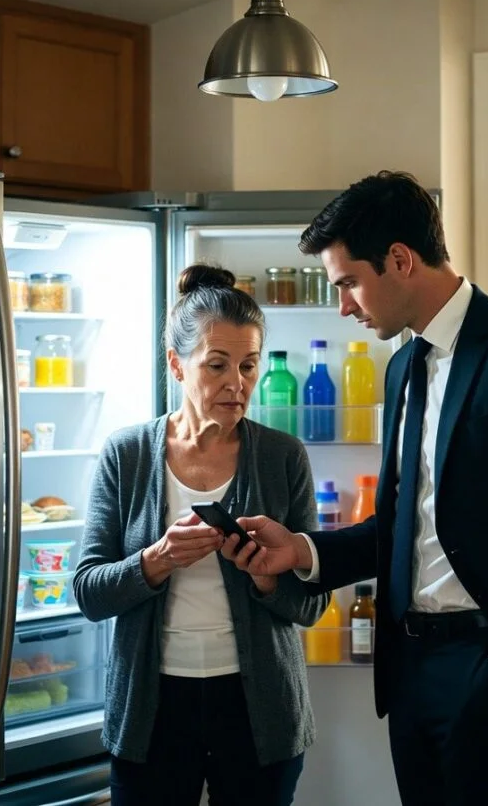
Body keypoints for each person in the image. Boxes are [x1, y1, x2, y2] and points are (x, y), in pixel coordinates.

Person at [225, 171, 488, 806]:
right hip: (410, 668)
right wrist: (301, 551)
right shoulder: (402, 366)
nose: (344, 306)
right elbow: (404, 523)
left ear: (400, 260)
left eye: (348, 283)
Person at [73, 264, 329, 806]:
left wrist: (267, 580)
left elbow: (313, 604)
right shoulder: (127, 454)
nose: (237, 383)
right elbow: (89, 593)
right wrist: (157, 560)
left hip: (259, 712)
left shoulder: (283, 457)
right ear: (176, 364)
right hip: (152, 710)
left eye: (249, 365)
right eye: (217, 365)